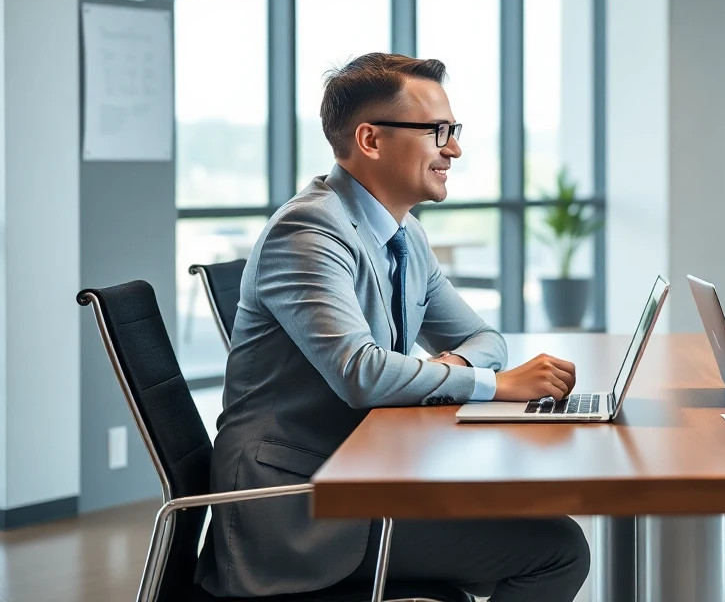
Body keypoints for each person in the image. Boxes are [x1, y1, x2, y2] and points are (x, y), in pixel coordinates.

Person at [196, 53, 589, 601]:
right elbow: (363, 375)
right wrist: (494, 385)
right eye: (437, 131)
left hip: (361, 477)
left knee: (538, 528)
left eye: (453, 130)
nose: (453, 148)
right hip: (297, 507)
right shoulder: (308, 232)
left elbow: (486, 340)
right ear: (371, 140)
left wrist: (447, 366)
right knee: (557, 549)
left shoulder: (405, 235)